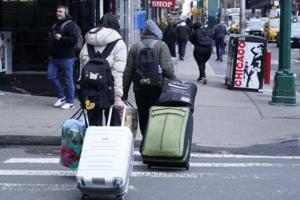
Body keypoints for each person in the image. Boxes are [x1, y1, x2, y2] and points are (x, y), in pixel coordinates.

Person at [122, 19, 176, 137]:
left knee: (143, 115)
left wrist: (124, 92)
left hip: (140, 88)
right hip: (157, 88)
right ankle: (154, 143)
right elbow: (167, 69)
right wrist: (175, 83)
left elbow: (128, 72)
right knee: (157, 115)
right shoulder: (162, 45)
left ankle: (145, 140)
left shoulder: (135, 47)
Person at [79, 13, 127, 126]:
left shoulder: (88, 42)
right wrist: (117, 97)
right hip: (109, 91)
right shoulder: (119, 44)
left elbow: (82, 69)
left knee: (94, 126)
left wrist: (82, 93)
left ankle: (94, 143)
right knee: (114, 126)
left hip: (90, 91)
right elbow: (117, 73)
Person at [47, 5, 78, 109]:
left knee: (68, 80)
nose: (58, 13)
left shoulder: (71, 25)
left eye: (60, 11)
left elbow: (74, 40)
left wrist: (61, 38)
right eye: (57, 11)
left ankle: (70, 102)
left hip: (67, 58)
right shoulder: (55, 24)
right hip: (54, 57)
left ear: (66, 13)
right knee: (51, 76)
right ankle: (61, 96)